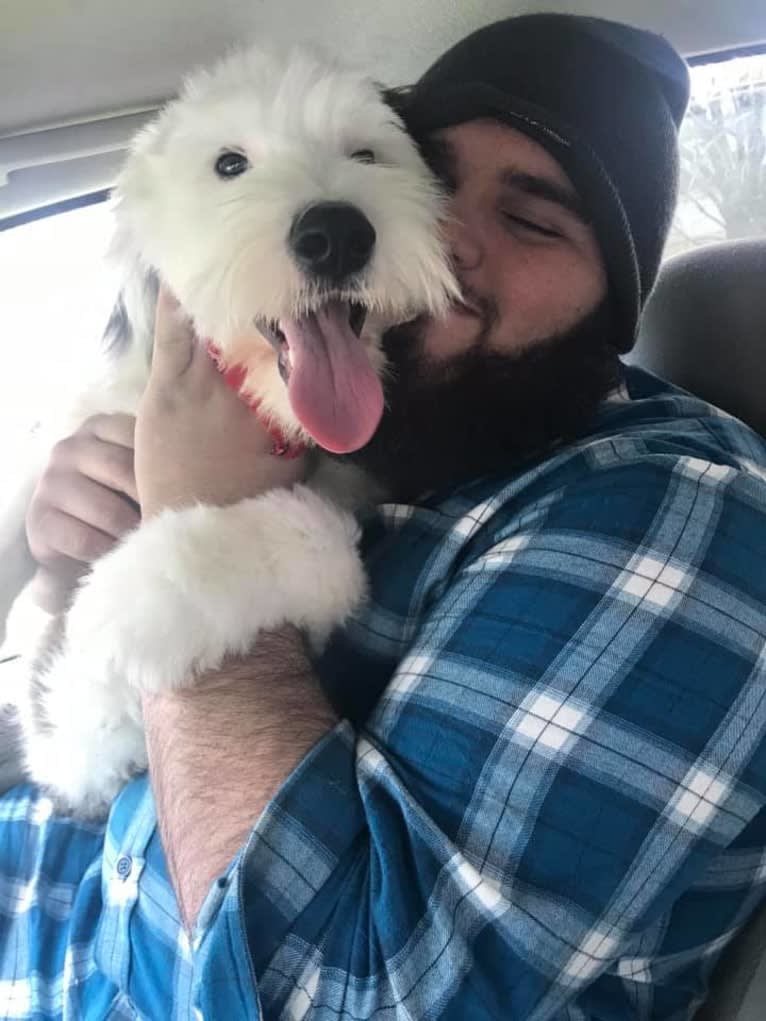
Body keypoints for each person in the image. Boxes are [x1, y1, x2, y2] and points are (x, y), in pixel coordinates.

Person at [3, 13, 766, 1020]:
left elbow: (342, 997)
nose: (447, 239)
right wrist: (70, 566)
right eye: (430, 184)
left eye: (534, 221)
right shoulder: (351, 442)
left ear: (610, 310)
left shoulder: (671, 513)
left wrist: (197, 539)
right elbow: (79, 764)